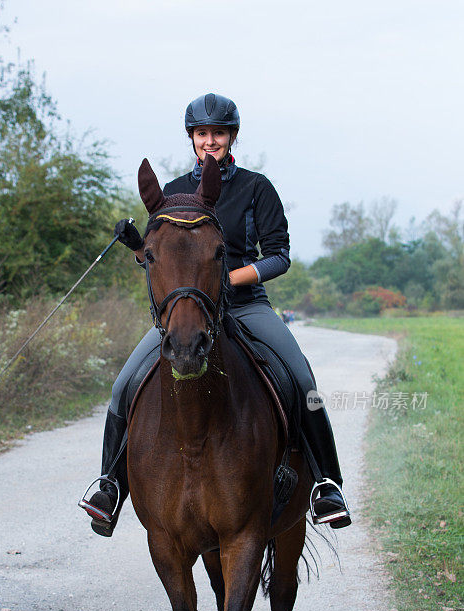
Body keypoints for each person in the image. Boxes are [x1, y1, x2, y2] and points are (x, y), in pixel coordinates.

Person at [80, 93, 351, 536]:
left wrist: (229, 280)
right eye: (202, 133)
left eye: (219, 133)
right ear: (191, 138)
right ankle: (110, 485)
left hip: (246, 307)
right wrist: (136, 245)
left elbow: (279, 257)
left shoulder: (256, 187)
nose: (211, 141)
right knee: (123, 385)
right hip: (188, 313)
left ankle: (326, 484)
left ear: (232, 137)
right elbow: (161, 258)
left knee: (303, 381)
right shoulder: (171, 193)